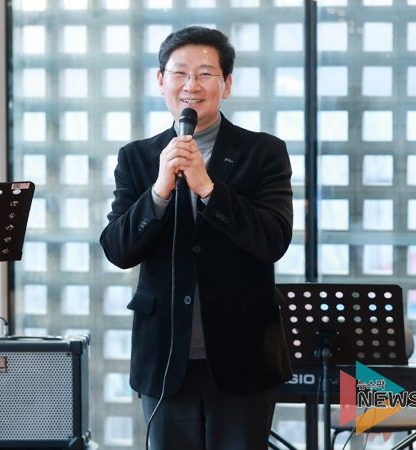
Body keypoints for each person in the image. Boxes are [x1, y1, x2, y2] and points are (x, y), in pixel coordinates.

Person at [100, 26, 293, 450]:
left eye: (206, 74)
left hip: (244, 354)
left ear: (227, 84)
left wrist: (208, 188)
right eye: (180, 73)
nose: (191, 85)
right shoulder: (137, 157)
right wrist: (159, 191)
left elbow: (273, 240)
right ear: (161, 81)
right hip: (165, 356)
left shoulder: (264, 152)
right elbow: (117, 249)